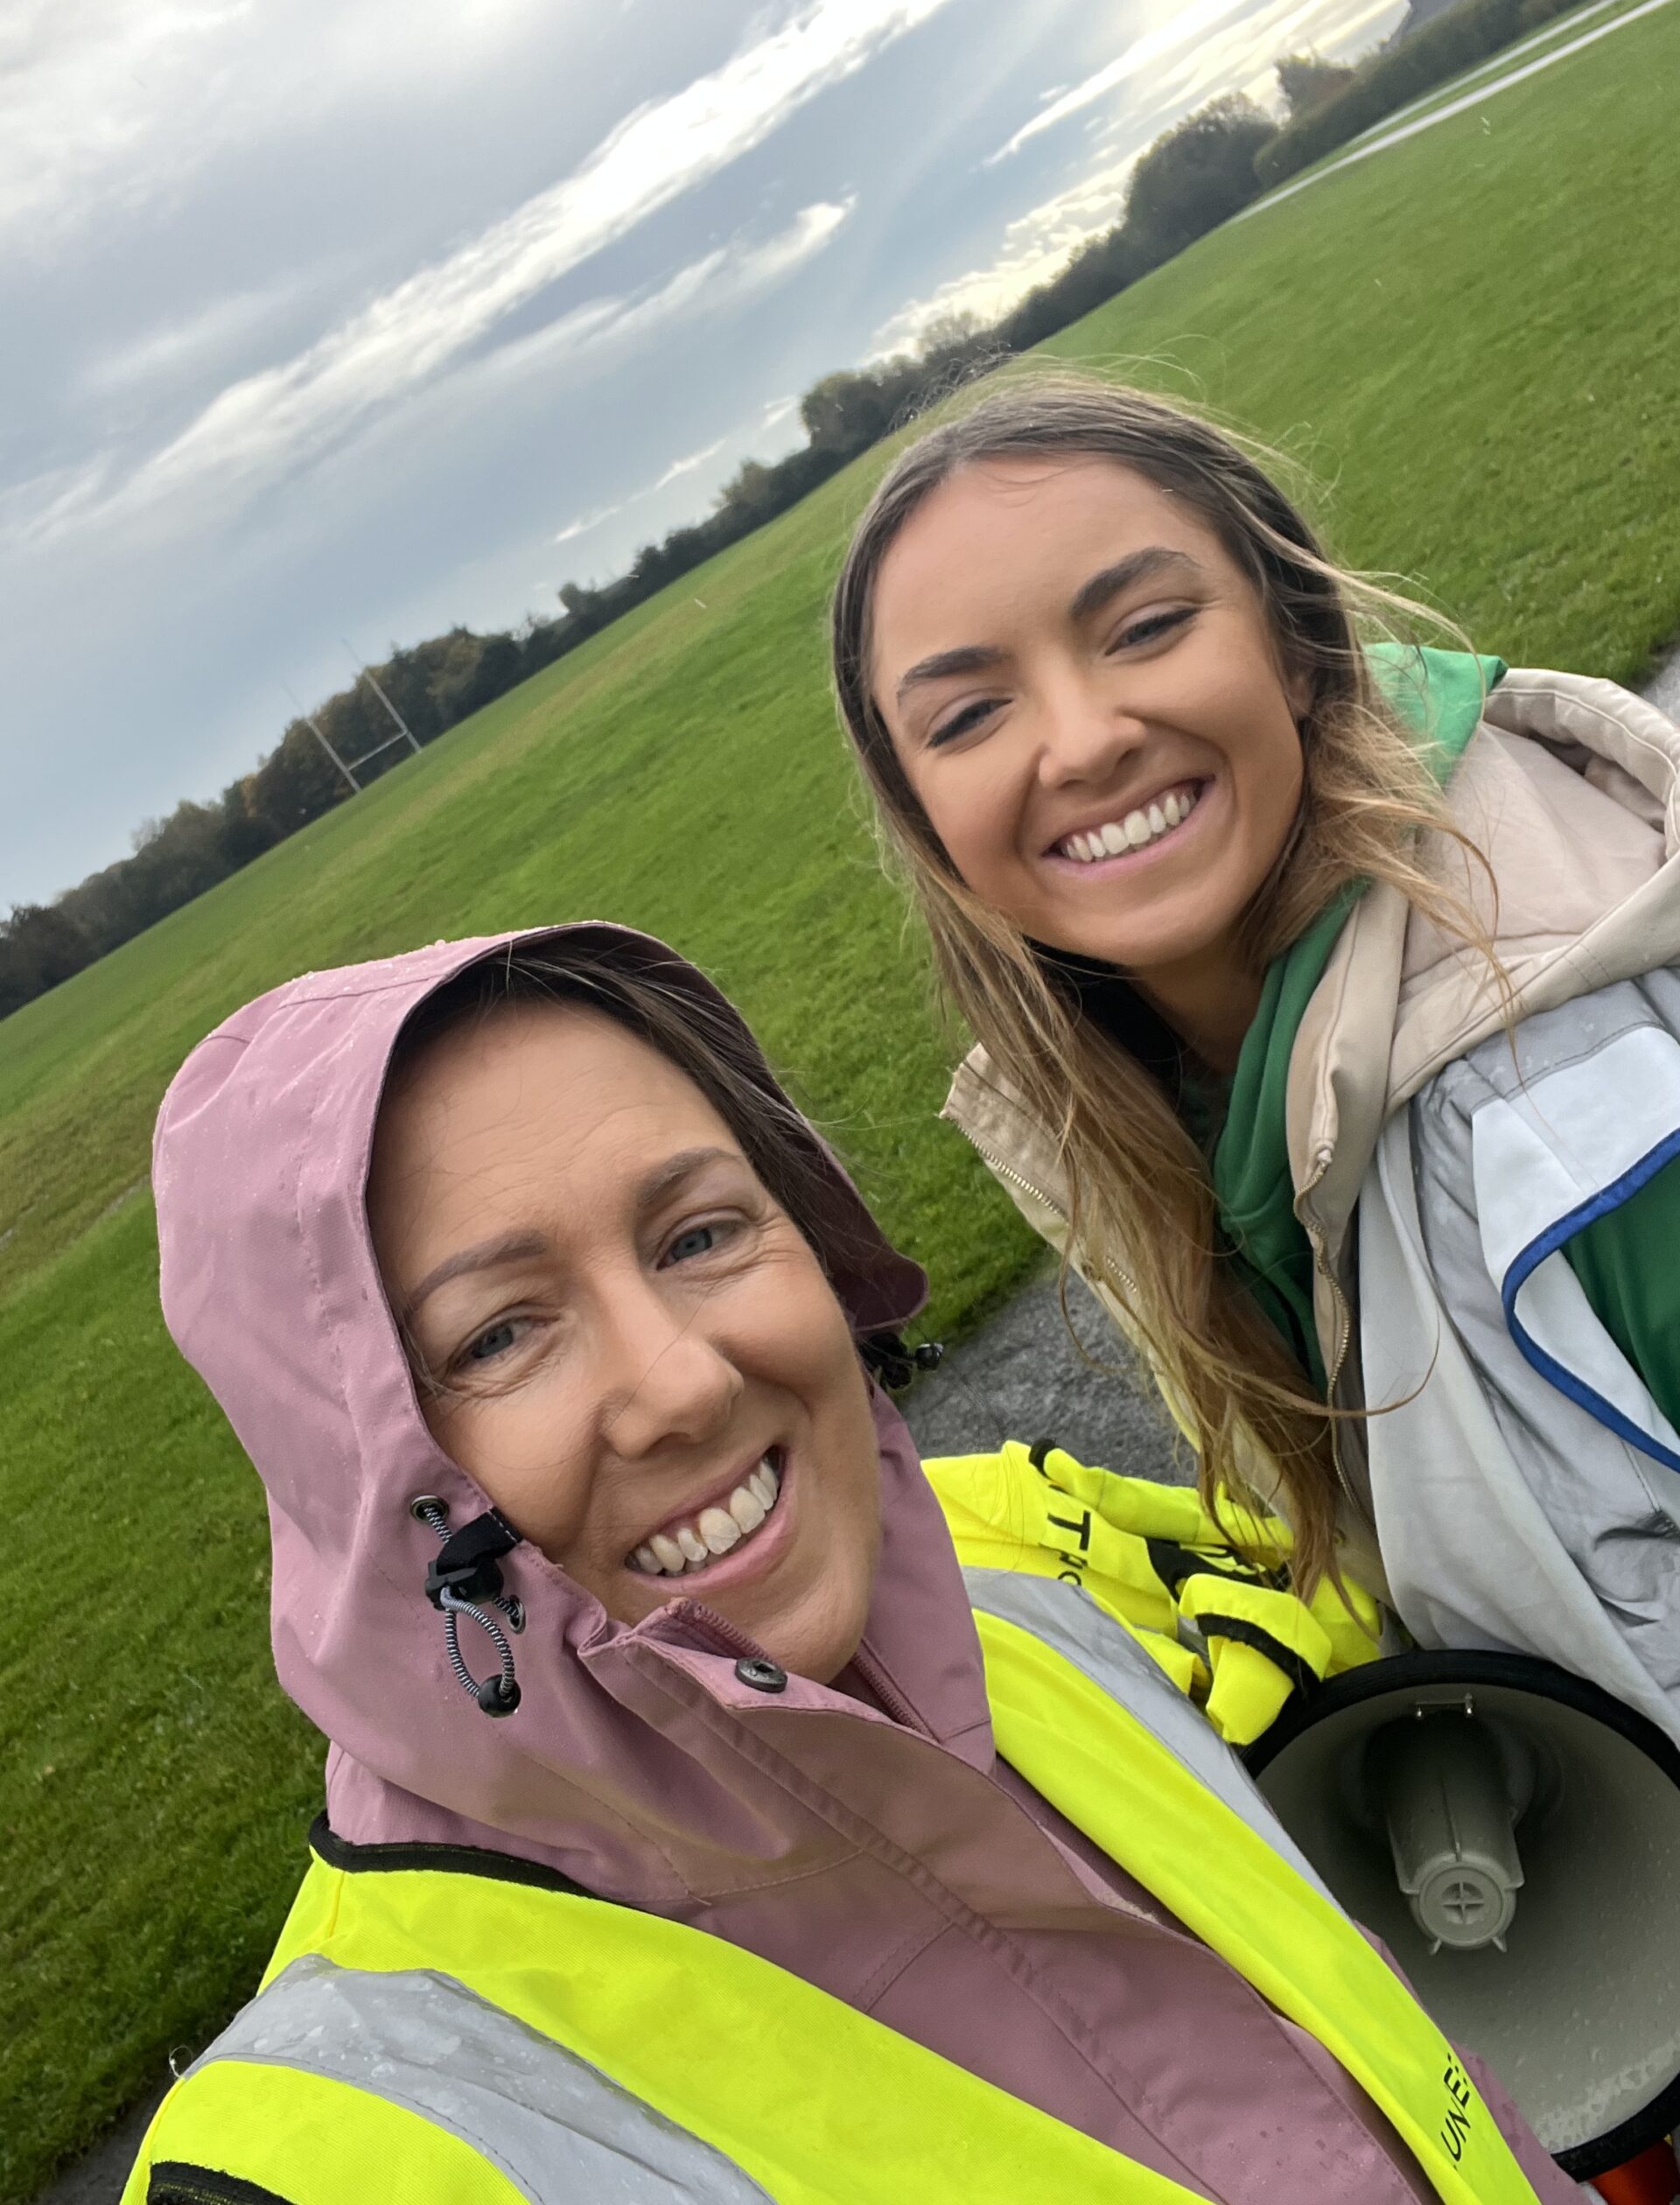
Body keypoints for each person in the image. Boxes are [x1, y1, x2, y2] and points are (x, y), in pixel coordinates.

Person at [127, 923, 1567, 2203]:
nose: (683, 1381)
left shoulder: (1049, 1646)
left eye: (699, 1232)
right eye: (501, 1333)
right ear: (360, 1478)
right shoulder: (315, 2165)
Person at [831, 369, 1680, 1742]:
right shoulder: (1159, 1092)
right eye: (970, 714)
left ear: (1297, 643)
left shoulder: (1571, 1101)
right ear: (926, 819)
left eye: (1148, 627)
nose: (1085, 739)